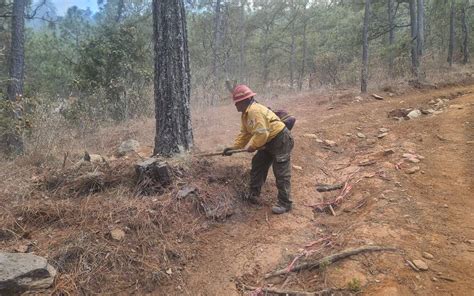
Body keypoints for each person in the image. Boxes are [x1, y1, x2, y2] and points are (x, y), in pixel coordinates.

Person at [223, 84, 294, 214]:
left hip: (280, 139)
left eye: (237, 102)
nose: (235, 105)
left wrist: (253, 146)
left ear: (245, 101)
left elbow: (262, 133)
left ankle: (285, 203)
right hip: (268, 141)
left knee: (281, 171)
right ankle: (254, 194)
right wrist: (233, 148)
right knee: (258, 163)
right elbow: (245, 134)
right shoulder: (246, 114)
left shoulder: (254, 111)